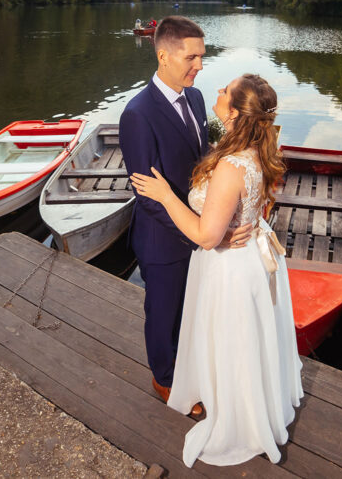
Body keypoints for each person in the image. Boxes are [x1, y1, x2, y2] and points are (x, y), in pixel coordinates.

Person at [130, 73, 303, 467]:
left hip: (230, 269)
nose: (217, 90)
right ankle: (238, 394)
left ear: (235, 110)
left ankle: (237, 413)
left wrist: (165, 195)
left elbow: (206, 236)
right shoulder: (254, 149)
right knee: (242, 340)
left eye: (225, 90)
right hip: (252, 260)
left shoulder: (230, 166)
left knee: (229, 337)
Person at [119, 16, 251, 416]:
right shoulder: (137, 115)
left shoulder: (194, 98)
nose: (199, 65)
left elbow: (199, 158)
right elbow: (148, 198)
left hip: (198, 229)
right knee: (163, 312)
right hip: (163, 241)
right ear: (163, 55)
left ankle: (188, 367)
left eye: (202, 56)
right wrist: (200, 234)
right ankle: (165, 378)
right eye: (192, 57)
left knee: (189, 309)